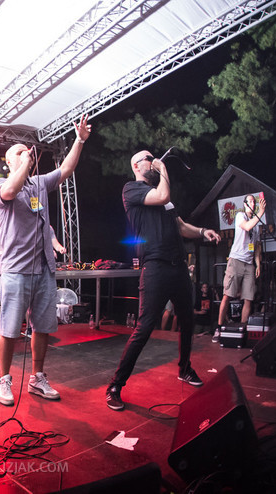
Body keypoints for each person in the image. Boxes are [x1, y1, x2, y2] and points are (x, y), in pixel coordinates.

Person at [105, 150, 221, 411]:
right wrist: (163, 170)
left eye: (154, 158)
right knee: (145, 327)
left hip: (178, 267)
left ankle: (185, 368)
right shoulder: (132, 189)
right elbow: (163, 195)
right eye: (149, 158)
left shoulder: (163, 197)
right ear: (136, 165)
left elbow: (180, 225)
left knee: (188, 320)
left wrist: (202, 231)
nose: (154, 160)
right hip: (155, 266)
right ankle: (115, 385)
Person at [0, 115, 91, 406]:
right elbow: (11, 190)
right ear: (9, 162)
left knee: (42, 327)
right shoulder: (1, 186)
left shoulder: (38, 184)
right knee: (10, 328)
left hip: (44, 268)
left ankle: (37, 377)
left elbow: (67, 168)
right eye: (19, 153)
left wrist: (80, 140)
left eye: (28, 152)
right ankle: (4, 380)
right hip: (16, 270)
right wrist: (22, 165)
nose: (27, 155)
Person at [214, 194, 265, 341]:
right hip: (236, 260)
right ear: (244, 204)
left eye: (254, 202)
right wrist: (261, 212)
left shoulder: (256, 227)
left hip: (249, 264)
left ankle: (242, 329)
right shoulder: (240, 216)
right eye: (250, 201)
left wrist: (258, 264)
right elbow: (247, 226)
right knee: (228, 295)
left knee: (248, 297)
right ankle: (219, 328)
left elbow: (255, 247)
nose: (253, 204)